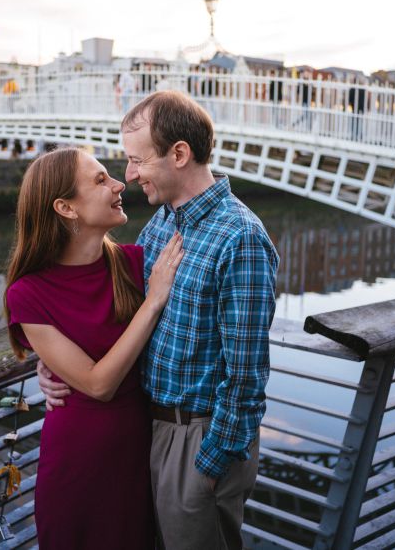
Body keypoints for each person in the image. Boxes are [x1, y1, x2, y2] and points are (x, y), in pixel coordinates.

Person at [39, 91, 280, 549]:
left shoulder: (240, 237)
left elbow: (246, 375)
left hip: (198, 436)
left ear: (180, 154)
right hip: (148, 430)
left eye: (136, 160)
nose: (128, 176)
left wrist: (211, 464)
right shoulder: (164, 222)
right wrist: (50, 359)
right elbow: (119, 311)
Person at [5, 147, 185, 550]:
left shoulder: (136, 263)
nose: (120, 183)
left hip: (141, 453)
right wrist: (153, 301)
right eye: (101, 180)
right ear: (66, 207)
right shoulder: (28, 293)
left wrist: (50, 362)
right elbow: (98, 384)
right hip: (78, 464)